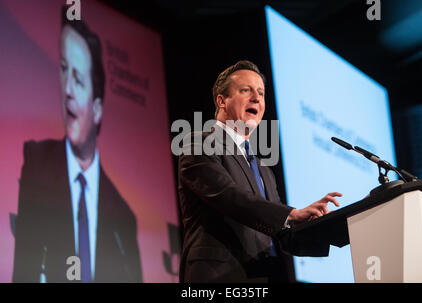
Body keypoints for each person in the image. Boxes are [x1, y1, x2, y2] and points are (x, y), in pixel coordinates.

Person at [177, 60, 342, 282]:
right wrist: (290, 213)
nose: (256, 98)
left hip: (265, 275)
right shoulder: (197, 143)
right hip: (219, 275)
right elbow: (228, 196)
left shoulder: (263, 169)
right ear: (222, 101)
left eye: (261, 93)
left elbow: (279, 233)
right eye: (246, 90)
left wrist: (331, 229)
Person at [12, 11, 142, 283]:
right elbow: (25, 269)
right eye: (63, 70)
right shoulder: (37, 164)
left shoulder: (123, 217)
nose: (67, 89)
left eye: (79, 80)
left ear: (96, 110)